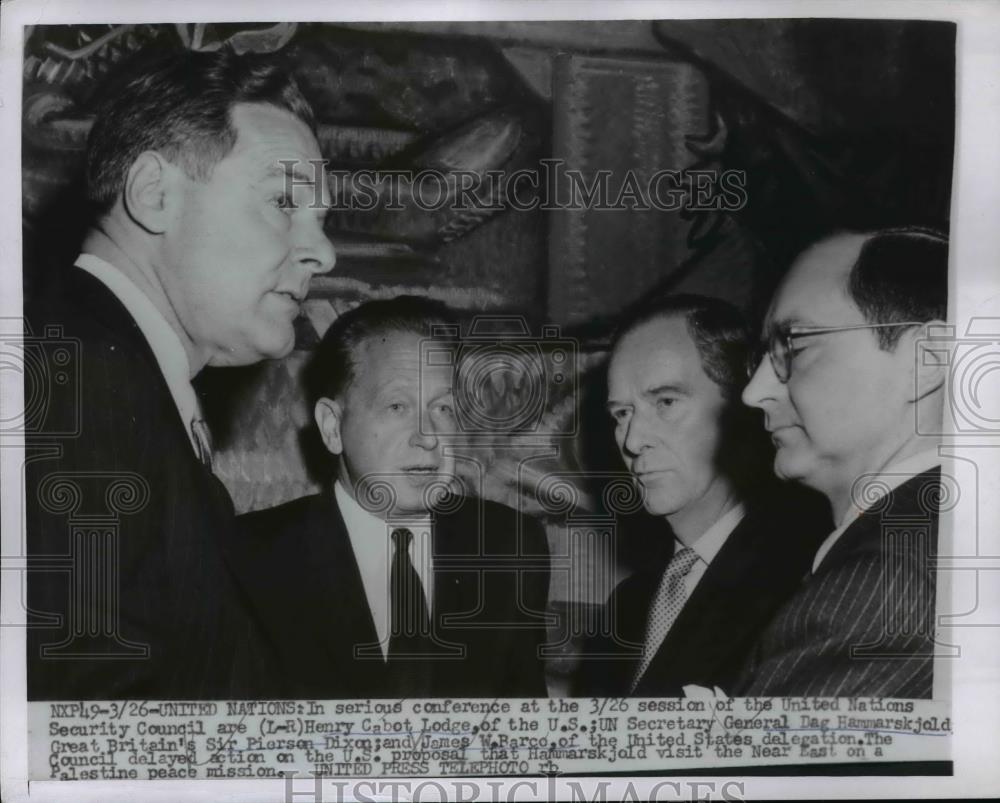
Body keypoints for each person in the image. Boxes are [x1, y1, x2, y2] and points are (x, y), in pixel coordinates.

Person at [25, 48, 337, 699]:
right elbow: (90, 728)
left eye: (322, 219)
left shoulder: (109, 375)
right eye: (284, 201)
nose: (324, 252)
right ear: (154, 195)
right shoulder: (83, 382)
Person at [228, 297, 551, 698]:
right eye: (397, 406)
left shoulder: (509, 545)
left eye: (444, 409)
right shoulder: (249, 558)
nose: (428, 436)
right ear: (332, 427)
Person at [576, 294, 827, 697]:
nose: (634, 440)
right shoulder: (627, 607)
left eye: (666, 402)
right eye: (621, 413)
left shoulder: (807, 586)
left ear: (743, 406)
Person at [738, 227, 948, 698]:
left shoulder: (888, 580)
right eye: (762, 356)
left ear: (928, 359)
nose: (754, 393)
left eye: (794, 346)